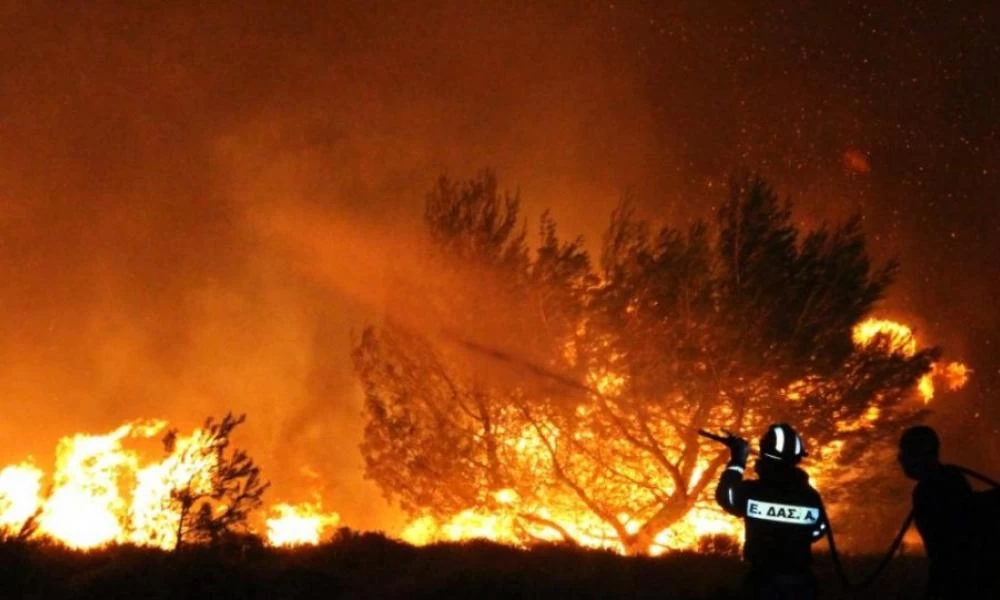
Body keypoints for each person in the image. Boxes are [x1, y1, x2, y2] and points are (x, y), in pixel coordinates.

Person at [715, 423, 828, 600]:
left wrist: (738, 460)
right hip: (801, 584)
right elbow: (818, 530)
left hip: (763, 582)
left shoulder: (754, 492)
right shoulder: (810, 496)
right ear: (797, 458)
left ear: (764, 455)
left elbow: (726, 496)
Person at [897, 425, 980, 599]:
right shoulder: (951, 478)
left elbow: (947, 547)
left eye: (906, 453)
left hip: (957, 578)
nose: (901, 460)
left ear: (921, 455)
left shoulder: (929, 489)